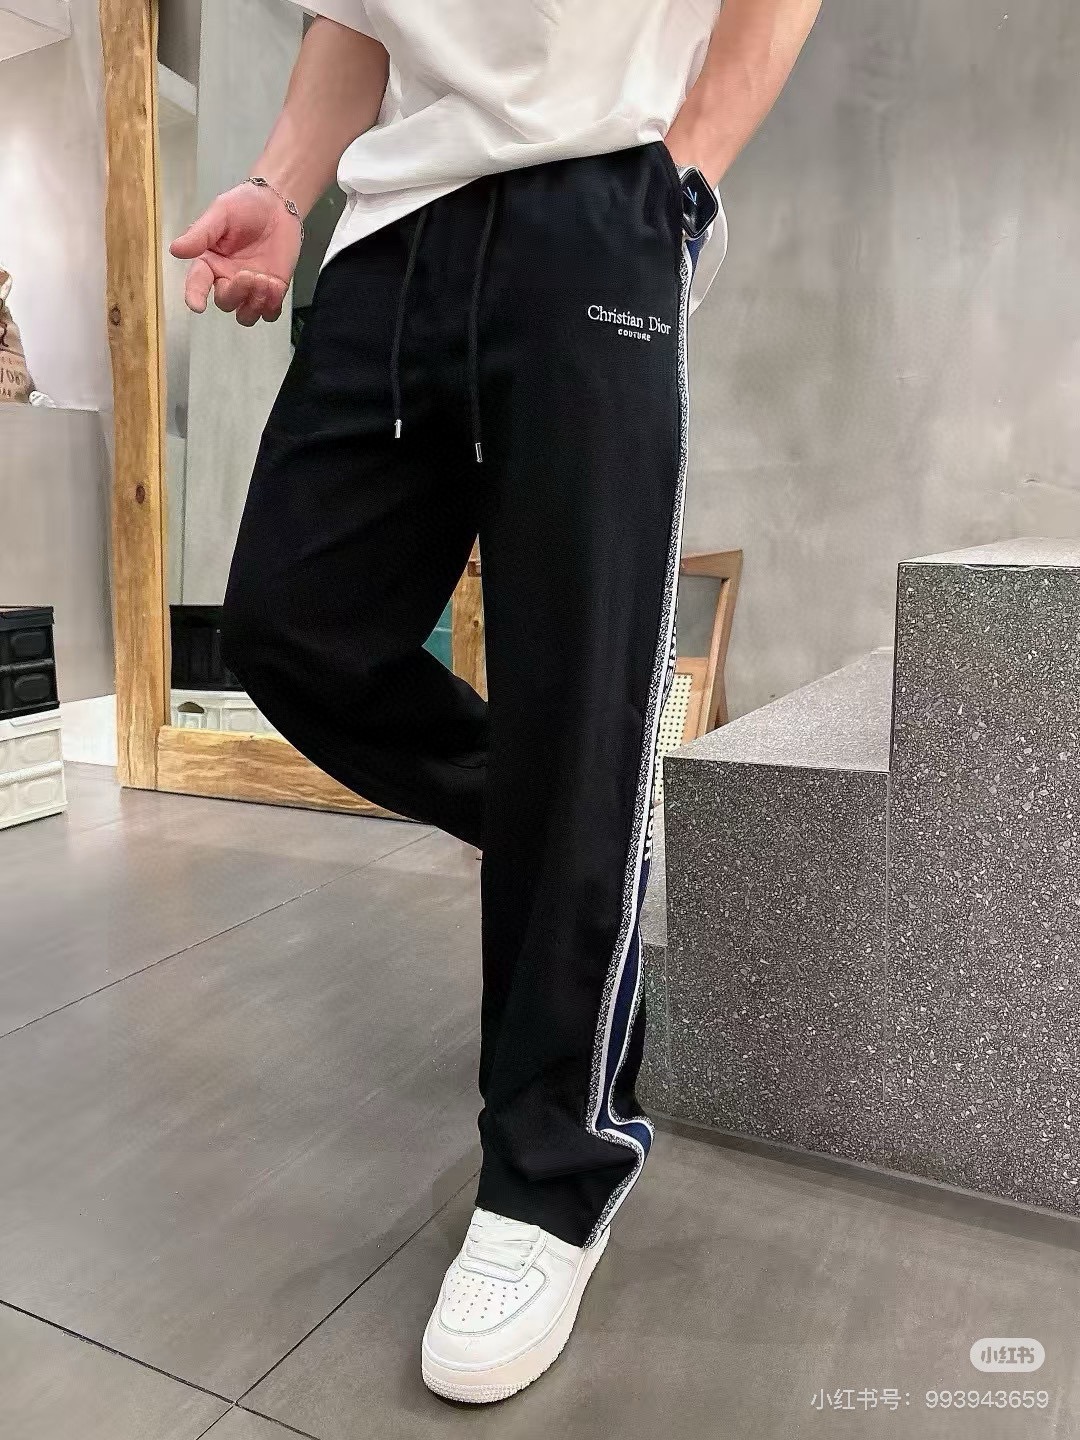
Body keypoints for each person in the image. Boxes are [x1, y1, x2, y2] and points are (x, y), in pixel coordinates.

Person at [173, 0, 821, 1404]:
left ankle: (552, 1171)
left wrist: (682, 178)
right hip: (388, 236)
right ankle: (576, 838)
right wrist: (282, 186)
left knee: (576, 693)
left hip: (595, 206)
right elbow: (359, 20)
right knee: (291, 625)